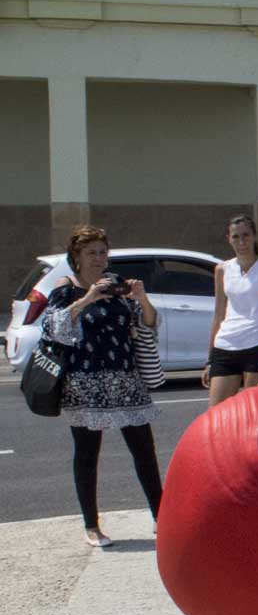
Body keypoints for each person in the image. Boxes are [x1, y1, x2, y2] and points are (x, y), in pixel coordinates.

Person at [41, 226, 163, 548]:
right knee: (87, 454)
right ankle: (91, 525)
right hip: (86, 381)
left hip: (125, 377)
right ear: (76, 258)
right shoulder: (66, 287)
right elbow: (53, 327)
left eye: (102, 252)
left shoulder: (116, 284)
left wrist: (141, 298)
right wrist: (88, 297)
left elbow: (147, 323)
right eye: (91, 253)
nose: (98, 258)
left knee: (144, 451)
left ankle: (161, 517)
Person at [202, 214, 258, 407]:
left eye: (246, 235)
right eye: (236, 237)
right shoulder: (222, 269)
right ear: (229, 239)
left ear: (254, 236)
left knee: (253, 415)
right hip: (226, 344)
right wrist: (210, 359)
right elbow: (219, 315)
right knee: (218, 415)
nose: (241, 242)